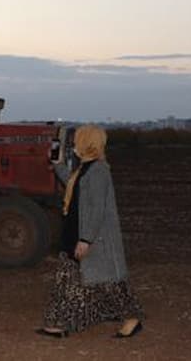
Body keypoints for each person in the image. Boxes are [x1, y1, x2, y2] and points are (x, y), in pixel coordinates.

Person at [39, 125, 144, 338]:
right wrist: (58, 164)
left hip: (92, 237)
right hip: (75, 232)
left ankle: (131, 318)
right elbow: (73, 184)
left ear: (88, 143)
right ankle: (58, 324)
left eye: (78, 139)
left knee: (109, 282)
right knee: (66, 280)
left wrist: (86, 239)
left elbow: (96, 209)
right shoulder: (85, 168)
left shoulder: (99, 170)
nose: (74, 143)